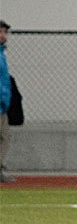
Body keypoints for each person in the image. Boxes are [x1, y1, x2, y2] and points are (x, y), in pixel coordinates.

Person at [0, 20, 15, 183]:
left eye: (5, 32)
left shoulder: (2, 54)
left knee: (5, 137)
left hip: (2, 104)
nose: (3, 36)